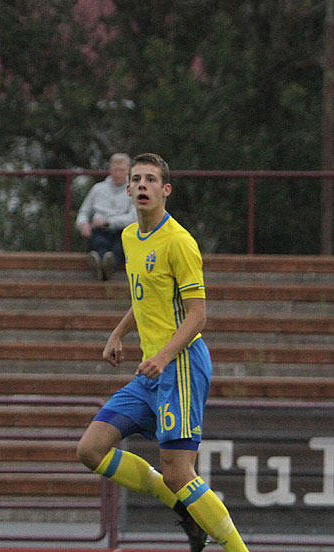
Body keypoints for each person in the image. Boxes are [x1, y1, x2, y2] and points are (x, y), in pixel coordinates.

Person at [75, 153, 249, 552]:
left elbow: (198, 315)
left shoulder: (180, 242)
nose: (141, 185)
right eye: (136, 179)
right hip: (151, 370)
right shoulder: (130, 238)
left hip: (181, 364)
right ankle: (186, 510)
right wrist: (117, 333)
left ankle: (238, 549)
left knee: (179, 472)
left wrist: (165, 356)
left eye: (150, 180)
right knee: (91, 449)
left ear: (165, 190)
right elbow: (145, 298)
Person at [75, 152, 137, 280]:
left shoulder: (134, 190)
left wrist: (108, 222)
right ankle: (99, 263)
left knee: (118, 248)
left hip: (122, 231)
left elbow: (133, 218)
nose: (119, 173)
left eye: (122, 170)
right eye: (116, 170)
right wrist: (83, 224)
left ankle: (107, 267)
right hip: (99, 231)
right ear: (110, 170)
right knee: (99, 244)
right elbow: (83, 212)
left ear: (128, 171)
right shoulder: (98, 189)